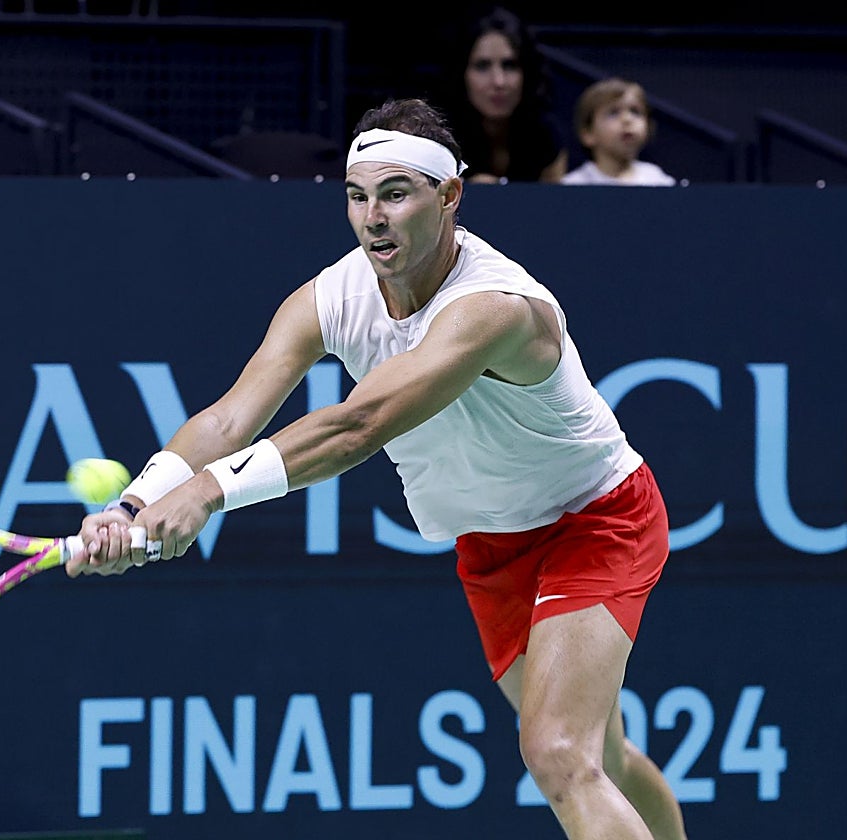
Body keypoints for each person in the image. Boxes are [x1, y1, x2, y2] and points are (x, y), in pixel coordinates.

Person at [66, 97, 688, 840]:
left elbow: (359, 425)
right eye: (357, 196)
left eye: (396, 194)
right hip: (491, 544)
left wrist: (208, 492)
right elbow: (230, 418)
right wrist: (134, 506)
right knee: (601, 761)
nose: (373, 219)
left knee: (558, 753)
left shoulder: (495, 307)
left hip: (595, 519)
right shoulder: (332, 297)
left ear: (449, 195)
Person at [440, 5, 567, 184]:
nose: (499, 82)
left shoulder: (546, 136)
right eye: (482, 66)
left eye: (510, 65)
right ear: (461, 73)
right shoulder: (438, 139)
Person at [562, 77, 677, 187]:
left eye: (635, 111)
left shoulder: (656, 179)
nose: (627, 119)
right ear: (588, 134)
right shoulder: (574, 184)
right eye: (613, 113)